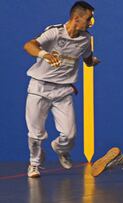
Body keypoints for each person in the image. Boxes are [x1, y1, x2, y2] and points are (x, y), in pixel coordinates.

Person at [24, 1, 99, 178]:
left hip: (63, 91)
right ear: (76, 19)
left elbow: (87, 59)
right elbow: (29, 45)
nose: (91, 22)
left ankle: (60, 148)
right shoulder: (54, 32)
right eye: (88, 19)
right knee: (36, 133)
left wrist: (93, 61)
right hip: (39, 88)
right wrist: (45, 54)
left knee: (69, 134)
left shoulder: (86, 39)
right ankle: (34, 164)